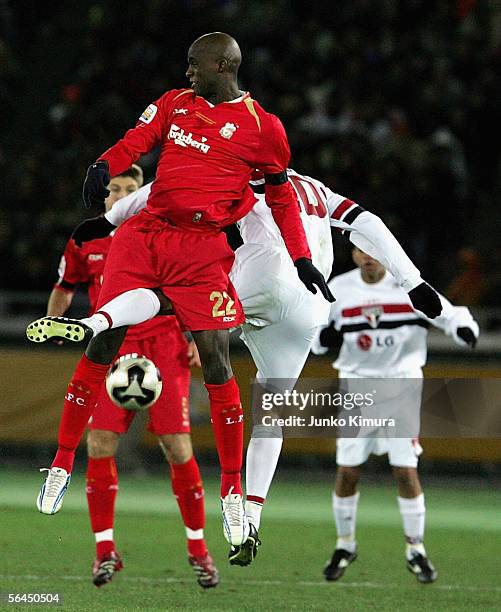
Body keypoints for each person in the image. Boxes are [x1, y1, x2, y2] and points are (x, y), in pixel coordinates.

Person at [26, 32, 334, 548]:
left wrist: (301, 257)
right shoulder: (175, 103)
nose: (186, 71)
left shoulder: (264, 129)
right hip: (145, 234)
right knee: (103, 344)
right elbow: (136, 139)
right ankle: (59, 463)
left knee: (216, 359)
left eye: (193, 64)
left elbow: (280, 198)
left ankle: (233, 497)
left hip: (202, 247)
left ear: (221, 64)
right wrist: (102, 162)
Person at [70, 168, 444, 566]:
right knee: (272, 412)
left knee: (167, 298)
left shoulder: (235, 171)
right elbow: (368, 222)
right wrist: (413, 281)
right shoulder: (316, 188)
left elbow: (165, 188)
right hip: (312, 304)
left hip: (264, 278)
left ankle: (95, 322)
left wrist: (110, 219)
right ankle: (251, 516)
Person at [44, 165, 218, 588]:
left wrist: (197, 336)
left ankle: (199, 549)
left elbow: (190, 285)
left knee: (177, 447)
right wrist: (53, 321)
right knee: (100, 443)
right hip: (112, 345)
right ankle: (105, 551)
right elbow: (67, 285)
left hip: (164, 342)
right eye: (115, 189)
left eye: (130, 189)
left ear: (141, 194)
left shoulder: (163, 230)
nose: (121, 194)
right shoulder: (87, 238)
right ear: (104, 197)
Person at [312, 247, 478, 583]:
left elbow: (450, 313)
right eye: (361, 250)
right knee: (347, 472)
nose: (368, 257)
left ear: (385, 251)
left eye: (374, 249)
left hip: (402, 388)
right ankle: (345, 544)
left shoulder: (409, 286)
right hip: (356, 389)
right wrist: (322, 339)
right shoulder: (338, 290)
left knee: (405, 471)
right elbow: (314, 333)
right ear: (354, 254)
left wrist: (465, 329)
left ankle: (415, 549)